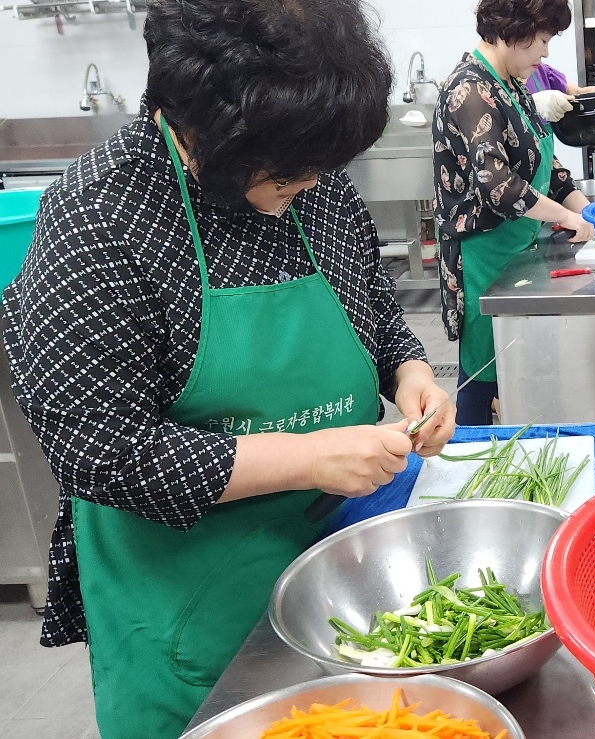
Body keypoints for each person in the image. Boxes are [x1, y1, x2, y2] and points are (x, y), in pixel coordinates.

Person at [0, 0, 456, 735]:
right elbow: (102, 455)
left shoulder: (309, 175)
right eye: (285, 177)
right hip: (188, 608)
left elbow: (374, 305)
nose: (305, 191)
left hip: (335, 572)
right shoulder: (98, 218)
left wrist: (408, 371)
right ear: (205, 132)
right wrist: (309, 455)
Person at [434, 0, 595, 426]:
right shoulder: (469, 90)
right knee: (484, 375)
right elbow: (500, 188)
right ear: (513, 32)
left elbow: (546, 166)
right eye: (542, 41)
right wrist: (565, 218)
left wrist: (587, 211)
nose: (545, 54)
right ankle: (462, 464)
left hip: (519, 247)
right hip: (484, 257)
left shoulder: (510, 81)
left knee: (518, 369)